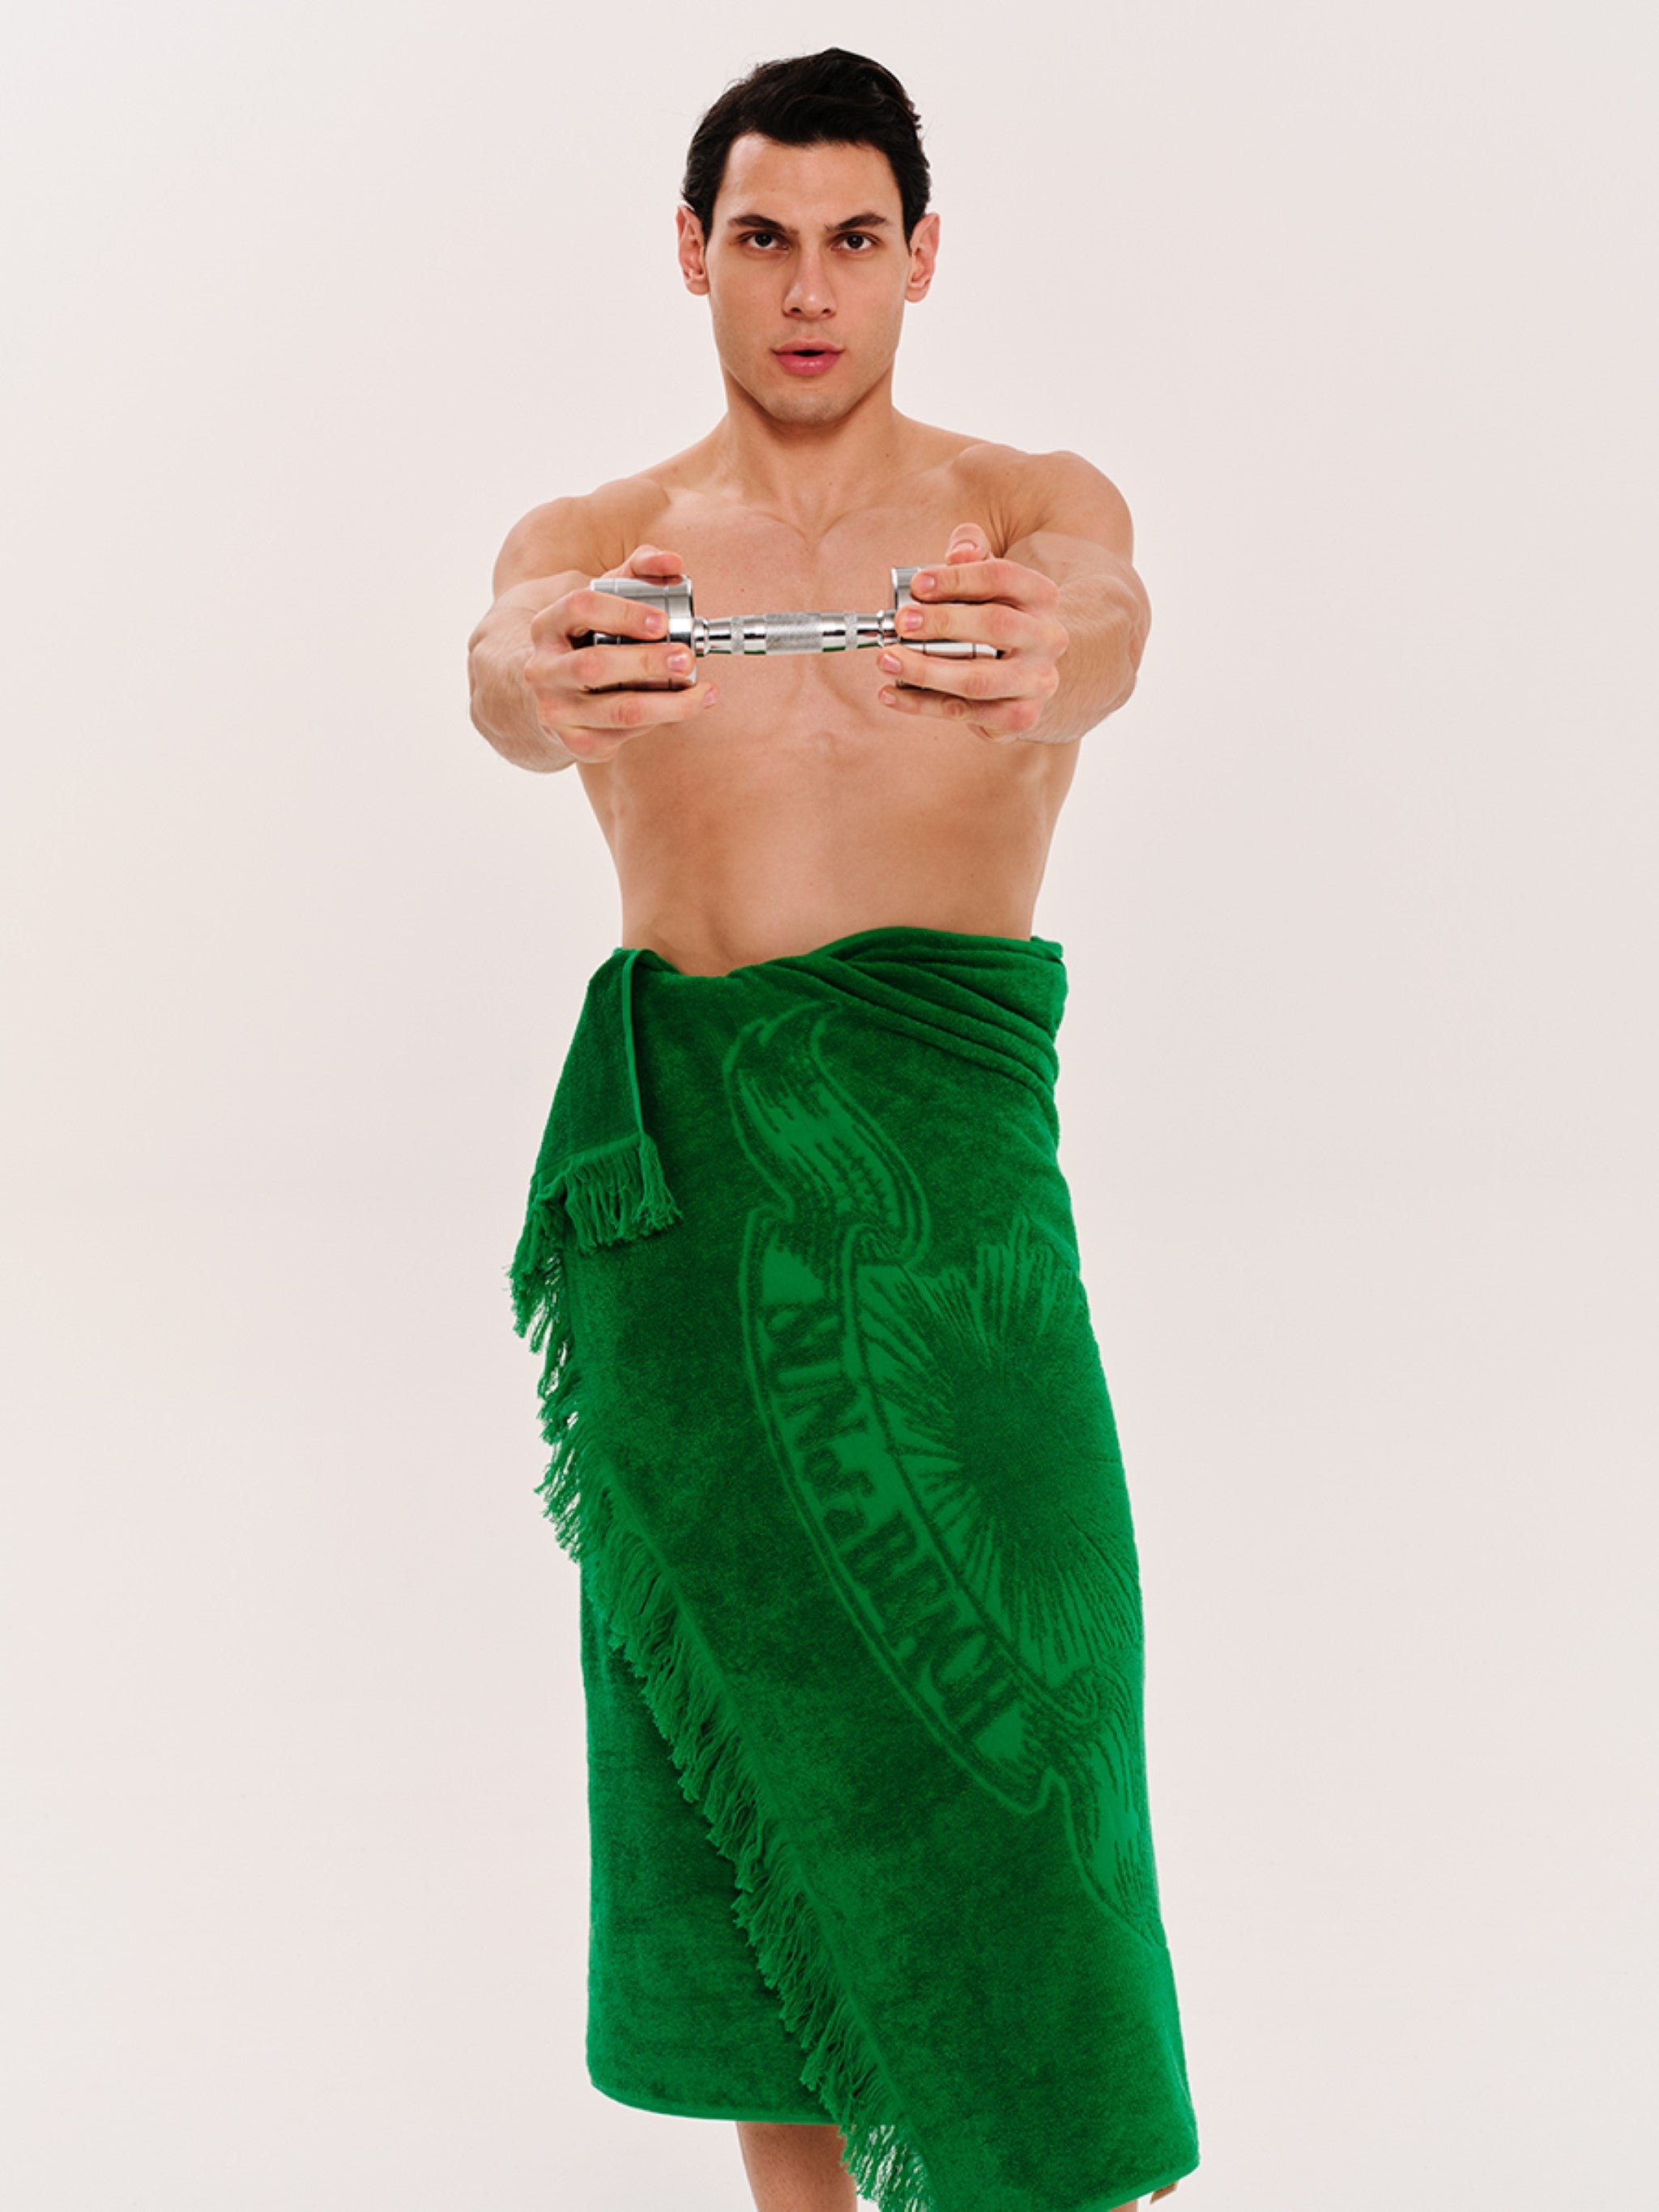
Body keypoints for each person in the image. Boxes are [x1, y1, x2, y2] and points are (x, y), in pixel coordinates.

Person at [468, 48, 1193, 2212]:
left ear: (921, 258)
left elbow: (1112, 629)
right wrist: (534, 670)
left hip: (960, 1233)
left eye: (854, 241)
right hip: (689, 1244)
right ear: (694, 253)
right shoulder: (591, 545)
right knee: (743, 1774)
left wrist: (1055, 649)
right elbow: (501, 673)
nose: (809, 289)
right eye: (766, 239)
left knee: (1031, 1738)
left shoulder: (1025, 510)